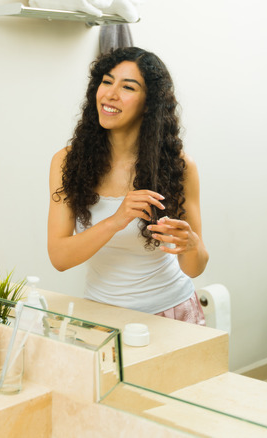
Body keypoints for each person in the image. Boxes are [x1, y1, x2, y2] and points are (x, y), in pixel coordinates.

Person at [47, 47, 209, 324]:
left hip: (172, 311)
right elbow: (60, 258)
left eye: (128, 87)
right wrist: (116, 219)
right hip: (101, 315)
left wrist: (192, 245)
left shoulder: (179, 167)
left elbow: (194, 268)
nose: (110, 94)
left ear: (149, 103)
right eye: (107, 82)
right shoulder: (67, 162)